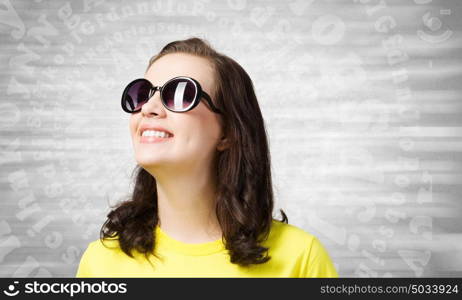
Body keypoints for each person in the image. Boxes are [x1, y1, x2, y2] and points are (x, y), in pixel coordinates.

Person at [75, 37, 338, 278]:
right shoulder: (100, 263)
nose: (149, 109)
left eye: (179, 93)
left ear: (228, 132)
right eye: (143, 94)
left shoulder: (301, 259)